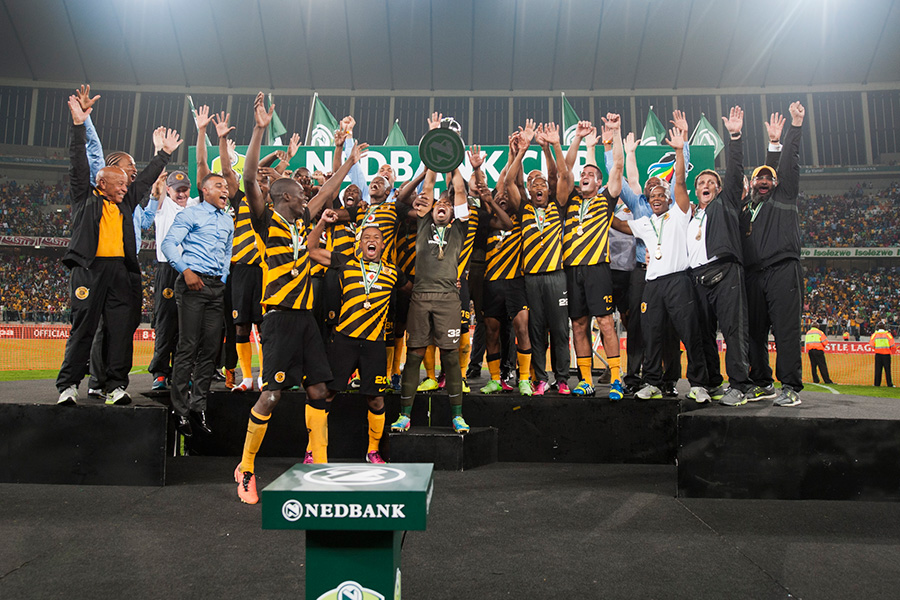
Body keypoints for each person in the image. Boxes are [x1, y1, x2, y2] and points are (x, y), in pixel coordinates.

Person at [234, 92, 364, 504]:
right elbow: (250, 177)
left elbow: (327, 191)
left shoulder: (300, 225)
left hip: (306, 319)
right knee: (272, 394)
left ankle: (320, 467)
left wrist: (348, 162)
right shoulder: (266, 219)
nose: (307, 198)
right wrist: (258, 130)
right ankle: (246, 469)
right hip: (278, 318)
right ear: (286, 197)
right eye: (300, 196)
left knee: (319, 392)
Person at [56, 94, 179, 406]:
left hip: (121, 272)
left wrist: (164, 154)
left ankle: (116, 387)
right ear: (102, 183)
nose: (127, 187)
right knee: (83, 329)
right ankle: (68, 386)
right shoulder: (84, 197)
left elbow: (147, 179)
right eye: (120, 184)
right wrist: (78, 125)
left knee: (121, 331)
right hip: (89, 269)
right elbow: (78, 161)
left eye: (127, 184)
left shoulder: (126, 201)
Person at [613, 124, 709, 402]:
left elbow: (679, 182)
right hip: (652, 284)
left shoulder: (680, 214)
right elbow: (619, 224)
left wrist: (680, 150)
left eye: (661, 195)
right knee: (651, 334)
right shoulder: (644, 223)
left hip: (678, 281)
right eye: (652, 196)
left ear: (669, 199)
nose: (656, 198)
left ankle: (698, 384)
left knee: (688, 333)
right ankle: (652, 382)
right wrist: (601, 208)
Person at [308, 215, 411, 464]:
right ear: (360, 244)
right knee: (327, 394)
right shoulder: (345, 262)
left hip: (374, 345)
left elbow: (412, 290)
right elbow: (312, 250)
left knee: (376, 399)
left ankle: (373, 451)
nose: (371, 240)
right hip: (344, 341)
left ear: (383, 245)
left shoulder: (393, 272)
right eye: (366, 238)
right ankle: (313, 450)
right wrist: (321, 223)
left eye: (376, 237)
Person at [391, 161, 470, 434]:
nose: (442, 205)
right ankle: (404, 415)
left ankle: (457, 416)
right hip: (421, 296)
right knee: (414, 355)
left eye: (447, 204)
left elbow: (460, 191)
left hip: (448, 297)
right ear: (431, 210)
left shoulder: (459, 229)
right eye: (438, 204)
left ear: (453, 212)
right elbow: (428, 187)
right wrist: (433, 163)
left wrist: (454, 163)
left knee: (450, 357)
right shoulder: (424, 223)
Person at [685, 107, 755, 407]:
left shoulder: (725, 203)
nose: (705, 185)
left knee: (733, 331)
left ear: (720, 188)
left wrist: (735, 137)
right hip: (697, 279)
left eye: (711, 182)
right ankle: (712, 382)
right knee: (703, 335)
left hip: (725, 272)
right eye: (701, 183)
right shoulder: (691, 215)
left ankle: (739, 385)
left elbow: (736, 170)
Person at [741, 101, 806, 407]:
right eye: (759, 178)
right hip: (753, 276)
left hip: (782, 270)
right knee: (754, 332)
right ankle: (761, 382)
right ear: (751, 183)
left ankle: (790, 386)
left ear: (776, 182)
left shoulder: (785, 196)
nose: (764, 181)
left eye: (769, 178)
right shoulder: (746, 209)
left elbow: (788, 164)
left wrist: (791, 130)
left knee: (785, 331)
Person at [161, 173, 234, 437]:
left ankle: (197, 406)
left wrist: (223, 277)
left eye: (226, 187)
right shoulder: (191, 214)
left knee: (211, 349)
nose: (225, 190)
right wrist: (185, 270)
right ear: (204, 190)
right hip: (193, 284)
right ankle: (179, 410)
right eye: (219, 186)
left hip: (215, 286)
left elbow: (227, 251)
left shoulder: (227, 220)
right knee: (188, 346)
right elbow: (168, 244)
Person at [559, 117, 624, 399]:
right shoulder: (570, 199)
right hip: (572, 270)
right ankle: (586, 380)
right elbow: (566, 171)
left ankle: (617, 379)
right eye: (582, 173)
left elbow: (618, 166)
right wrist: (580, 141)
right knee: (578, 325)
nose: (584, 175)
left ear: (599, 182)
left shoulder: (606, 199)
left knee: (606, 323)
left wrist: (616, 133)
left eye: (590, 174)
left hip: (598, 268)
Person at [505, 121, 570, 396]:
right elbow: (509, 182)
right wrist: (522, 150)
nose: (539, 186)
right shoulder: (524, 208)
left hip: (557, 277)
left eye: (543, 183)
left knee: (560, 331)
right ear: (530, 191)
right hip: (531, 278)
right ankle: (540, 378)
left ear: (548, 190)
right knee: (536, 331)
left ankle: (563, 379)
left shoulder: (558, 206)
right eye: (534, 184)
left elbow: (561, 177)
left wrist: (551, 147)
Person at [148, 170, 200, 390]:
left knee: (187, 325)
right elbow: (157, 196)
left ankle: (182, 372)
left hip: (190, 269)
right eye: (177, 190)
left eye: (184, 189)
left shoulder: (195, 205)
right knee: (165, 323)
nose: (181, 194)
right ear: (168, 190)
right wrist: (158, 180)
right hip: (168, 269)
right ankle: (160, 373)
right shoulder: (164, 206)